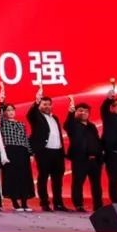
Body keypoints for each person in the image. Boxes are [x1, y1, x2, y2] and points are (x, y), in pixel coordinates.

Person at [27, 84, 67, 212]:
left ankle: (58, 203)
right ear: (39, 105)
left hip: (58, 152)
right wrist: (36, 100)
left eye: (49, 104)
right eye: (44, 104)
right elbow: (30, 114)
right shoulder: (36, 117)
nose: (47, 106)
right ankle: (44, 203)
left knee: (57, 179)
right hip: (44, 151)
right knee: (43, 177)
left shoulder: (55, 118)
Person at [0, 84, 35, 211]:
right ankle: (15, 202)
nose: (10, 112)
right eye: (8, 110)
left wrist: (30, 153)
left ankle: (24, 202)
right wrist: (1, 102)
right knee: (11, 176)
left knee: (24, 176)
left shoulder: (21, 124)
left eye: (12, 110)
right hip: (10, 151)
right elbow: (0, 113)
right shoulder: (3, 123)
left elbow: (25, 139)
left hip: (22, 152)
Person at [64, 97, 102, 212]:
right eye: (80, 110)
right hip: (80, 159)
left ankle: (98, 206)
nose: (83, 113)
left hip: (94, 160)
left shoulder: (92, 126)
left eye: (86, 111)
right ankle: (78, 205)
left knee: (96, 184)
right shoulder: (73, 125)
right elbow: (67, 124)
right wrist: (70, 113)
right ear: (76, 112)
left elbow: (97, 141)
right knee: (78, 183)